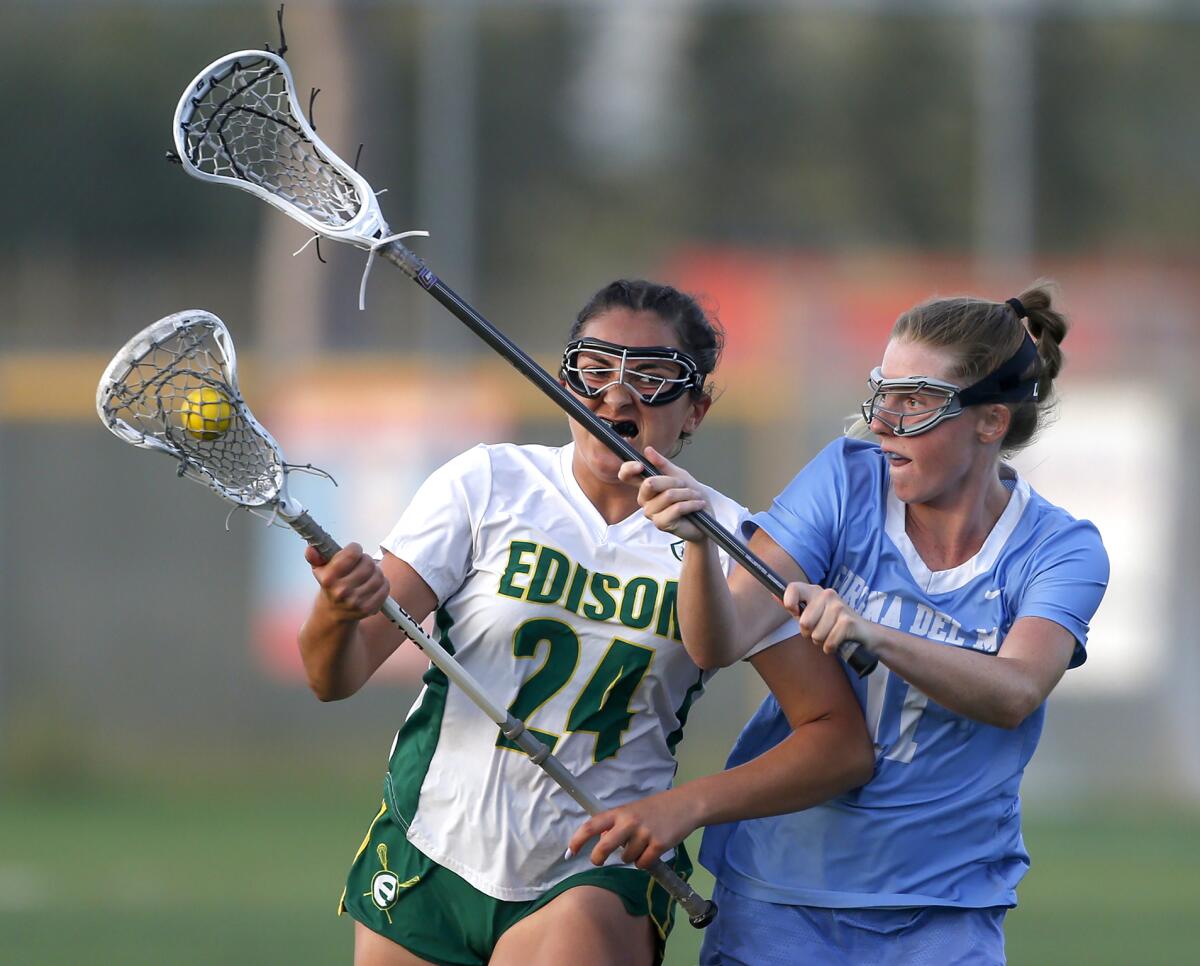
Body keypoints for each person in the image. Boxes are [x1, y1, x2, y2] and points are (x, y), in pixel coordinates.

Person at [297, 279, 873, 966]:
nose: (617, 396)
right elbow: (335, 675)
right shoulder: (486, 484)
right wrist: (336, 610)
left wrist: (685, 807)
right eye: (595, 370)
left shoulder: (730, 541)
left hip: (592, 869)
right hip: (430, 846)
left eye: (653, 376)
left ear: (696, 410)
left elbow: (839, 741)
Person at [569, 282, 1109, 965]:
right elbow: (722, 638)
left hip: (944, 910)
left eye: (914, 402)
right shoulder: (845, 480)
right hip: (781, 899)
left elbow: (1014, 691)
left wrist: (872, 634)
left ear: (990, 422)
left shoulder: (1062, 547)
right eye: (881, 394)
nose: (884, 422)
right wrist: (701, 546)